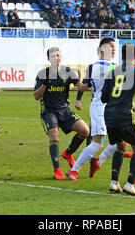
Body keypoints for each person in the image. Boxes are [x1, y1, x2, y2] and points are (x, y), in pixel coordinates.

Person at [101, 43, 135, 196]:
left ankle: (114, 183)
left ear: (122, 56)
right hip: (125, 115)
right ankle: (130, 184)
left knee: (120, 146)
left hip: (110, 116)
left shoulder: (112, 72)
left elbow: (104, 97)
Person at [34, 47, 90, 180]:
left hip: (65, 110)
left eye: (58, 55)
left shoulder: (68, 72)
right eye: (53, 56)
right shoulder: (43, 74)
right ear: (48, 59)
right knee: (54, 134)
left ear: (61, 57)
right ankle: (57, 169)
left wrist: (88, 84)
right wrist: (44, 85)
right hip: (49, 111)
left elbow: (80, 87)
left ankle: (68, 153)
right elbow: (36, 96)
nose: (56, 57)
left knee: (85, 131)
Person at [67, 38, 119, 180]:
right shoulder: (99, 67)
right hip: (99, 107)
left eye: (115, 47)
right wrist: (77, 90)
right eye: (111, 47)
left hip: (113, 108)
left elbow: (86, 85)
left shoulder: (114, 66)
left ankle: (98, 161)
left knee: (121, 142)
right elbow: (85, 85)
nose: (114, 49)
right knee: (97, 142)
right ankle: (74, 170)